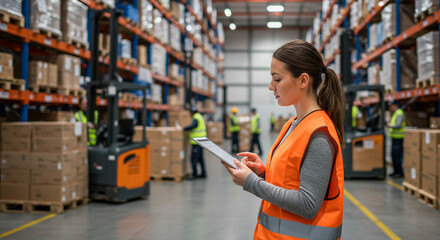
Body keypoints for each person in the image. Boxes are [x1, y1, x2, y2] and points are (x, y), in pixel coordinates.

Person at [222, 40, 345, 240]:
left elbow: (307, 204)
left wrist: (252, 183)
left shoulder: (319, 134)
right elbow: (291, 178)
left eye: (277, 79)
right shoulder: (292, 124)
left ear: (303, 80)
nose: (271, 87)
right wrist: (263, 173)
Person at [183, 106, 207, 179]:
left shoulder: (196, 117)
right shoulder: (200, 116)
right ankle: (203, 173)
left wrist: (184, 128)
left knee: (193, 159)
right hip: (201, 141)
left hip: (197, 142)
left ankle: (194, 174)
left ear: (192, 112)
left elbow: (194, 125)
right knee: (200, 158)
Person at [388, 100, 405, 178]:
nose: (390, 108)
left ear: (395, 105)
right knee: (393, 155)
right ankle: (395, 171)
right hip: (394, 138)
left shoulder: (399, 113)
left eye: (391, 106)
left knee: (397, 156)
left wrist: (390, 125)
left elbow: (398, 125)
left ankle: (399, 172)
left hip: (398, 138)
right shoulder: (396, 113)